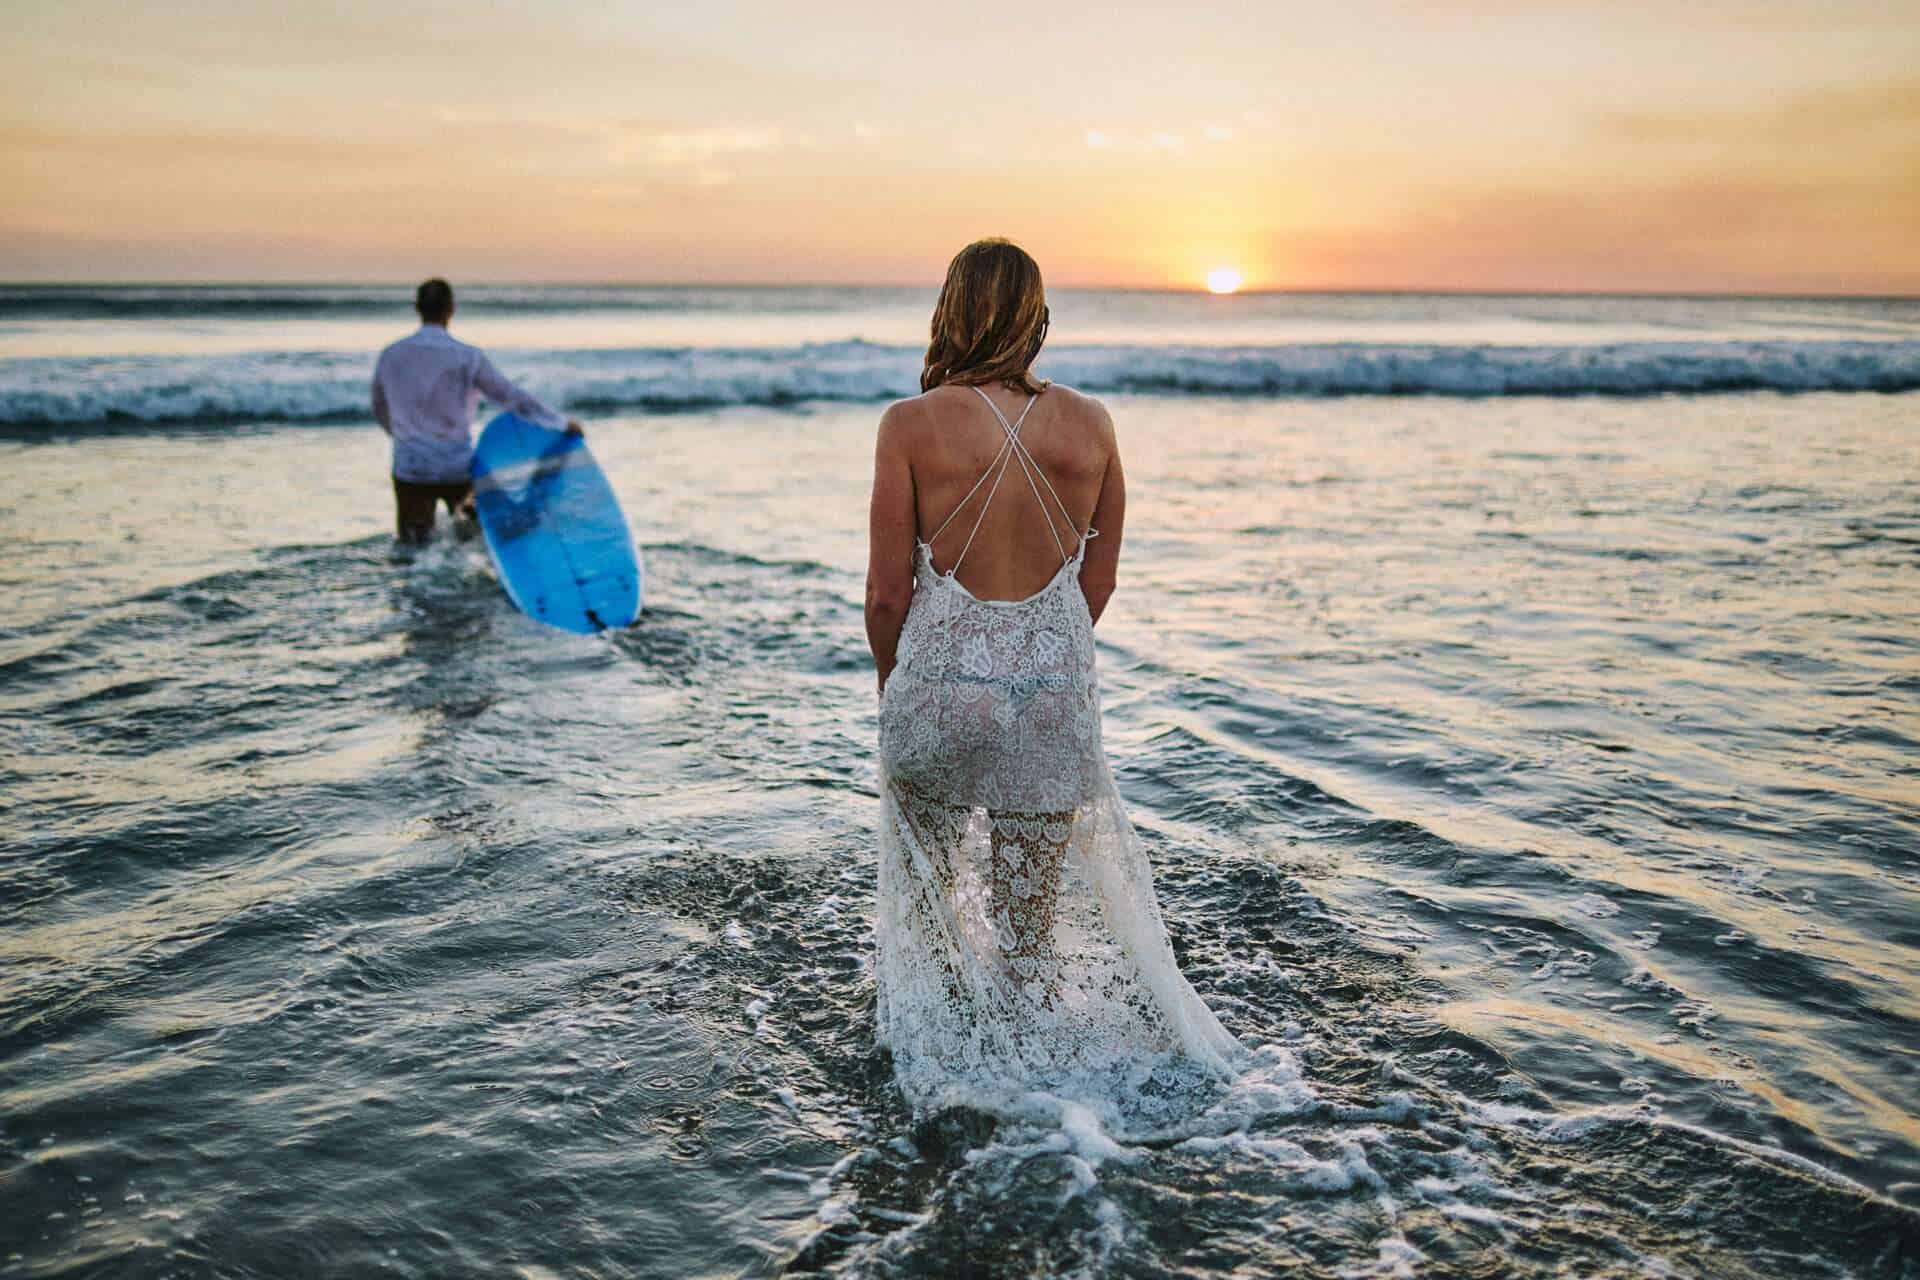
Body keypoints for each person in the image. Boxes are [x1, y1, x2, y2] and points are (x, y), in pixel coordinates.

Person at [865, 239, 1243, 1117]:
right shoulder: (1093, 425)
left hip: (942, 685)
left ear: (951, 311)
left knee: (929, 900)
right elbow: (1096, 583)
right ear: (1035, 316)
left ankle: (941, 1084)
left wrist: (897, 683)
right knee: (1026, 923)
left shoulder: (910, 425)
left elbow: (888, 593)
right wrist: (1038, 662)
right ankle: (1046, 1106)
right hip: (1051, 689)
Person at [371, 278, 583, 544]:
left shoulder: (391, 355)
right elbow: (510, 396)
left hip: (411, 464)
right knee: (471, 543)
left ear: (417, 308)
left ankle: (415, 583)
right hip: (455, 465)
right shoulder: (467, 356)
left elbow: (378, 406)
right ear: (451, 308)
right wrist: (560, 423)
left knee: (412, 544)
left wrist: (403, 436)